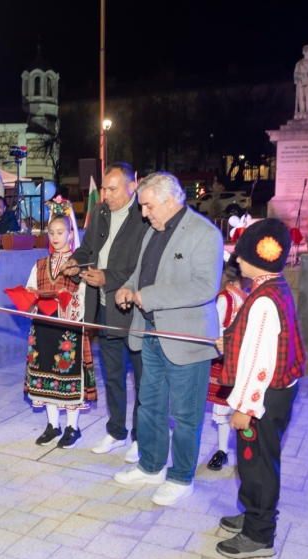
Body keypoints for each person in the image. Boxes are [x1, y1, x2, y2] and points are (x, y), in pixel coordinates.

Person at [112, 172, 223, 507]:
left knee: (187, 415)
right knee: (150, 407)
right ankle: (151, 466)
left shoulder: (204, 234)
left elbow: (205, 287)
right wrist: (128, 287)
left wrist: (150, 295)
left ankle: (181, 477)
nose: (144, 213)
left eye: (147, 206)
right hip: (150, 334)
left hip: (185, 338)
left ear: (168, 199)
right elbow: (141, 273)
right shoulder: (153, 231)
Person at [215, 218, 306, 559]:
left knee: (257, 464)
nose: (235, 261)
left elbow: (259, 362)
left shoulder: (264, 300)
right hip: (277, 392)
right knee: (259, 460)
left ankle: (259, 534)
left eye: (240, 254)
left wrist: (245, 408)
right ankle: (254, 514)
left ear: (259, 257)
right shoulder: (274, 287)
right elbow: (256, 342)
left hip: (263, 398)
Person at [64, 162, 150, 462]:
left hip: (133, 310)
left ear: (132, 186)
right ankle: (116, 431)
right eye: (104, 188)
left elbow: (143, 265)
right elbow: (87, 249)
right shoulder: (99, 212)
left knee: (141, 378)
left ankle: (141, 437)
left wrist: (108, 278)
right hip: (103, 308)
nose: (107, 195)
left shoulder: (144, 215)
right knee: (112, 375)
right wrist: (76, 263)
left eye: (113, 189)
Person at [23, 214, 96, 448]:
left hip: (68, 329)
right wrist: (31, 298)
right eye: (51, 233)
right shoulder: (40, 264)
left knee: (69, 377)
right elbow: (29, 290)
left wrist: (68, 302)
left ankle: (72, 428)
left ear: (70, 234)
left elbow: (84, 297)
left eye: (60, 232)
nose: (55, 237)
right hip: (44, 327)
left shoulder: (79, 266)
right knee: (45, 376)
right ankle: (52, 425)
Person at [206, 254, 250, 471]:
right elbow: (216, 331)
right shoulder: (226, 299)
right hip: (228, 362)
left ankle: (245, 448)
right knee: (223, 406)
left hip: (245, 361)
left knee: (243, 405)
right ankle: (222, 450)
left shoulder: (247, 296)